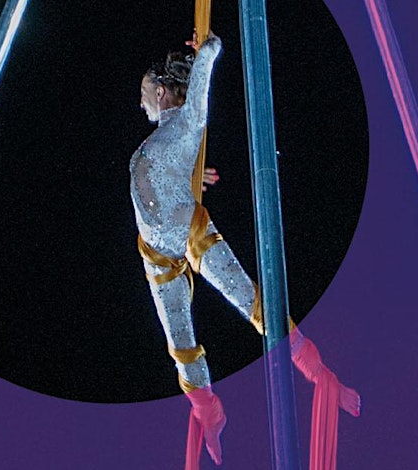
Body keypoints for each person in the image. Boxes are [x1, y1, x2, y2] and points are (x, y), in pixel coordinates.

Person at [129, 33, 360, 468]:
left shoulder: (188, 122)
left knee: (251, 302)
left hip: (191, 235)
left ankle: (318, 373)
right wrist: (192, 178)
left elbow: (203, 82)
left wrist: (207, 50)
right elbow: (166, 175)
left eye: (143, 94)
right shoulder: (163, 140)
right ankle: (210, 414)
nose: (140, 104)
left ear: (160, 92)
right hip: (156, 256)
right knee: (180, 346)